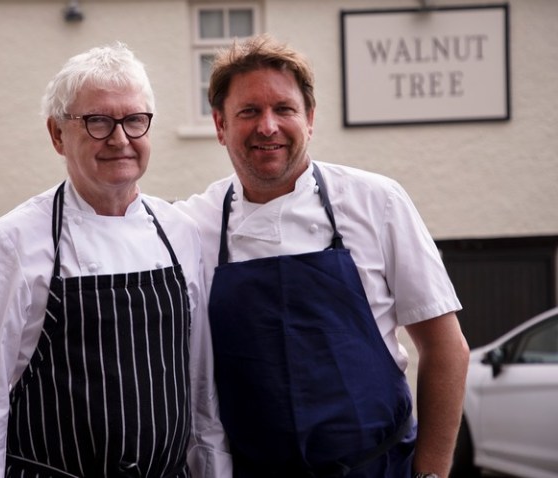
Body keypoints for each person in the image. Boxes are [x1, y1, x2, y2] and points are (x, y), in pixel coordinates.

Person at [175, 34, 470, 478]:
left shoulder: (377, 201)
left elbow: (446, 348)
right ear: (220, 125)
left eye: (284, 109)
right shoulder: (191, 226)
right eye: (249, 111)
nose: (268, 126)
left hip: (379, 468)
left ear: (310, 118)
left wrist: (431, 474)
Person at [0, 42, 229, 478]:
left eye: (135, 120)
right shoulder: (12, 243)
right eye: (97, 121)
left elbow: (201, 386)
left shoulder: (180, 232)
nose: (120, 139)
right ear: (57, 134)